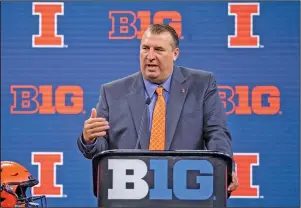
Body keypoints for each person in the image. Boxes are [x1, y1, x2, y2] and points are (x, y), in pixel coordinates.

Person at [77, 24, 238, 193]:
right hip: (129, 193)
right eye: (145, 48)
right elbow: (100, 151)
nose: (150, 56)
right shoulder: (112, 93)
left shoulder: (201, 85)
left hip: (186, 191)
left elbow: (217, 133)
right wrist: (90, 139)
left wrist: (224, 168)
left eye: (159, 50)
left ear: (175, 54)